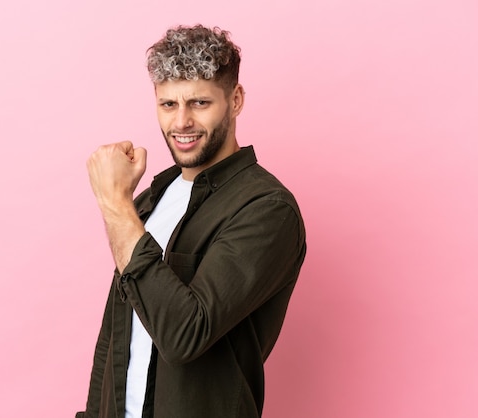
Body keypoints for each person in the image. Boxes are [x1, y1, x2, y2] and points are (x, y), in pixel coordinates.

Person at [77, 24, 306, 418]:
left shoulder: (266, 209)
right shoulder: (150, 202)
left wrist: (114, 202)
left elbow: (184, 335)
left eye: (199, 103)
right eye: (168, 104)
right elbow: (116, 335)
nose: (181, 122)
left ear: (235, 100)